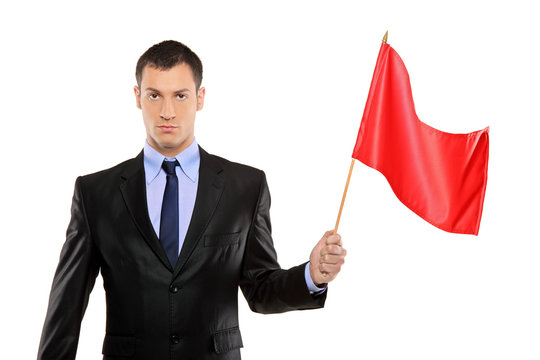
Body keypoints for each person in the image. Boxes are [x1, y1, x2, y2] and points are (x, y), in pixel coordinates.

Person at [37, 40, 347, 360]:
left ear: (199, 98)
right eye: (154, 95)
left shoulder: (245, 186)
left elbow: (261, 290)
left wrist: (312, 274)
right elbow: (66, 308)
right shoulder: (95, 193)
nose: (167, 111)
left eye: (180, 96)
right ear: (137, 97)